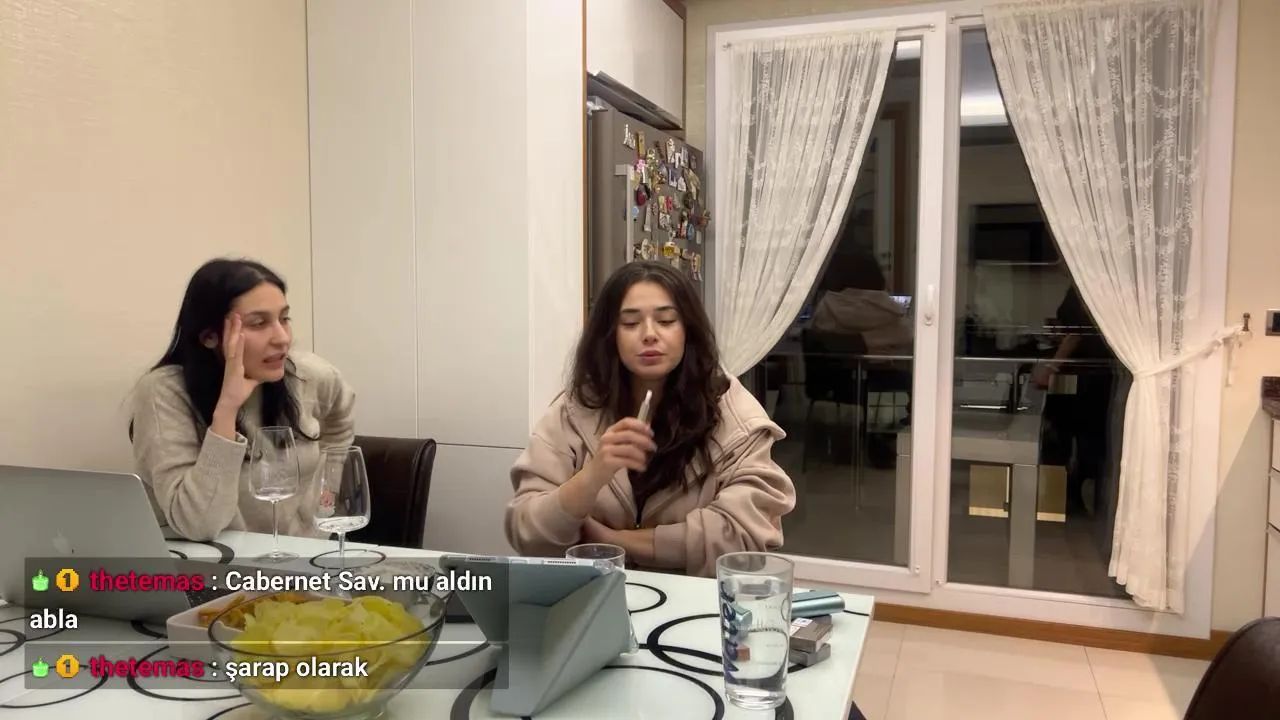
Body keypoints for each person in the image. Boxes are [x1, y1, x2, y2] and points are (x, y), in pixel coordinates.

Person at [505, 261, 796, 577]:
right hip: (593, 594)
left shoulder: (735, 416)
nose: (649, 334)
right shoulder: (574, 411)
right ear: (610, 335)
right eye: (630, 323)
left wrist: (614, 542)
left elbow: (745, 539)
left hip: (691, 601)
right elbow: (526, 532)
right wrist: (593, 475)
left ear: (688, 330)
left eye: (666, 320)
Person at [129, 258, 356, 541]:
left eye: (284, 319)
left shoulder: (307, 374)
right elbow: (198, 524)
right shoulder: (164, 392)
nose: (282, 338)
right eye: (259, 323)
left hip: (301, 554)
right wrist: (227, 407)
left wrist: (324, 499)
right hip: (215, 563)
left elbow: (340, 423)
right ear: (210, 337)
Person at [1032, 284, 1124, 517]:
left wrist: (1051, 367)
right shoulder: (1089, 285)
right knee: (1084, 436)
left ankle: (1060, 498)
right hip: (1090, 374)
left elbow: (1076, 334)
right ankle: (1075, 495)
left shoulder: (1083, 285)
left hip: (1080, 375)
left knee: (1062, 435)